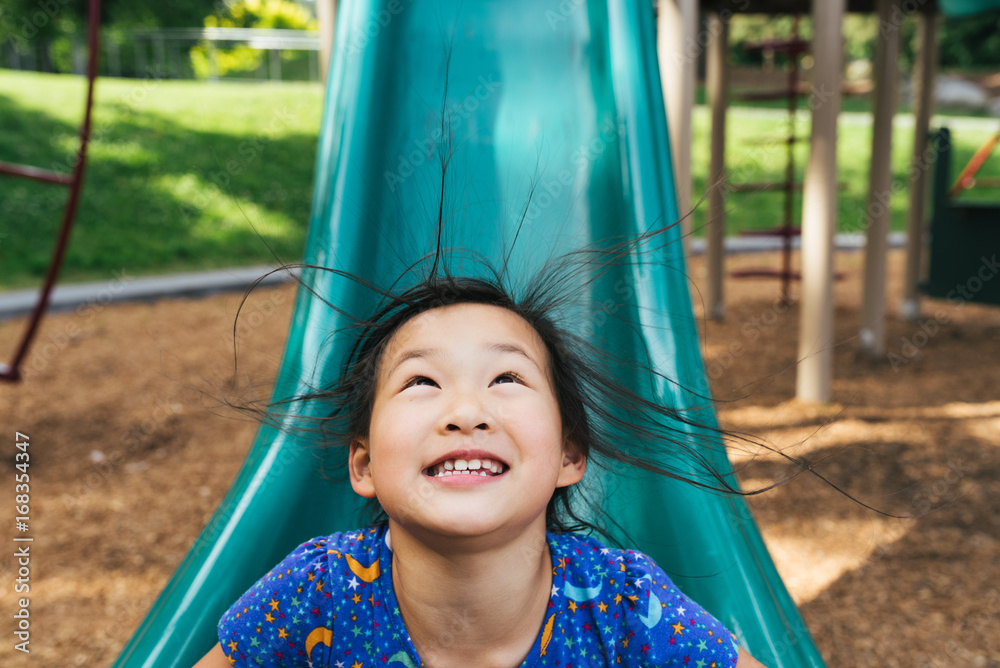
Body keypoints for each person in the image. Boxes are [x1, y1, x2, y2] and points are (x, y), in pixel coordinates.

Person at [194, 274, 769, 668]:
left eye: (506, 380)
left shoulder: (622, 604)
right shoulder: (318, 591)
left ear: (570, 456)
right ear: (364, 465)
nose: (466, 412)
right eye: (421, 382)